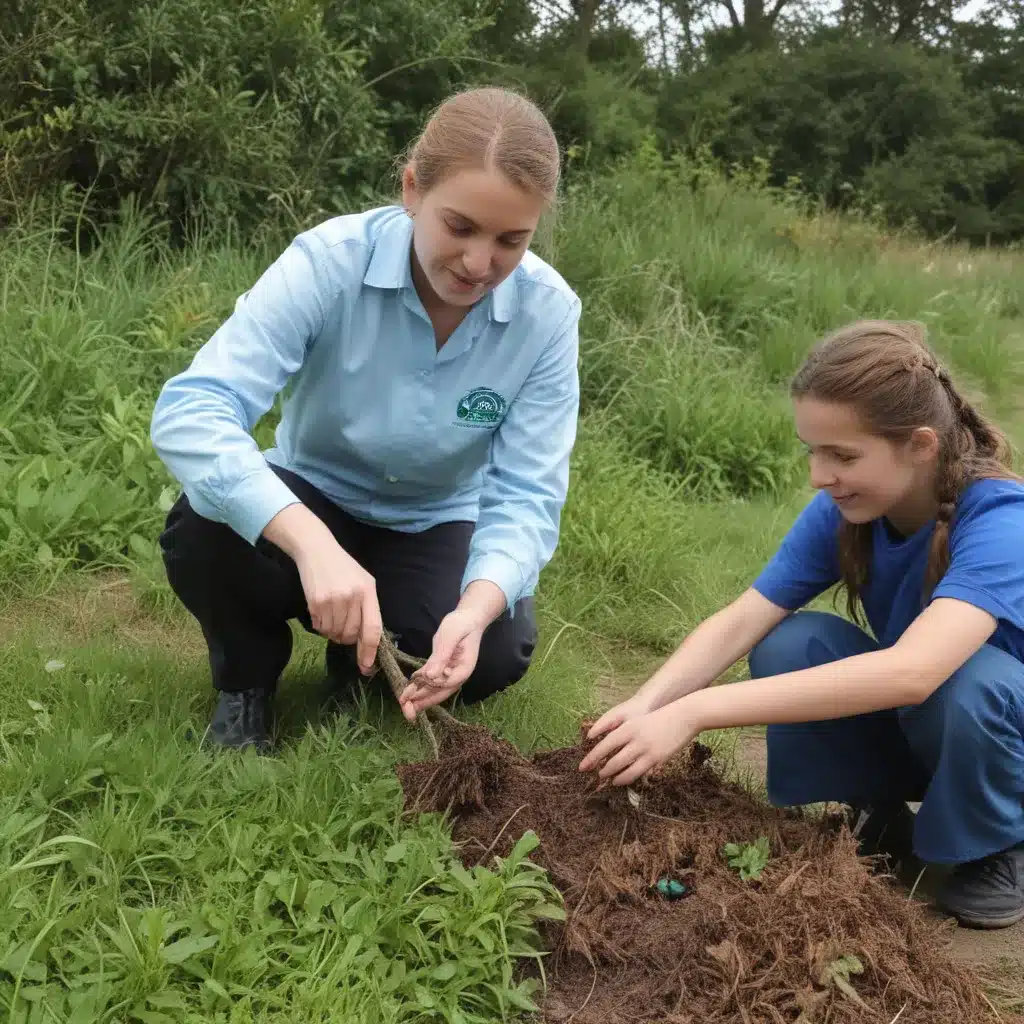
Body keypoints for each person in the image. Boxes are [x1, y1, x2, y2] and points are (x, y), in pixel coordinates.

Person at [150, 87, 581, 752]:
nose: (478, 264)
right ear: (412, 190)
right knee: (203, 529)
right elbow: (194, 409)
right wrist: (312, 543)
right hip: (313, 492)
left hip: (434, 520)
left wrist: (476, 607)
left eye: (510, 241)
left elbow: (527, 494)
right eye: (460, 227)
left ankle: (356, 671)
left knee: (496, 647)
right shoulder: (328, 262)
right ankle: (247, 684)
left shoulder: (548, 316)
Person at [580, 320, 1024, 931]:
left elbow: (914, 672)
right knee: (792, 641)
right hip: (932, 728)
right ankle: (881, 808)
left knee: (966, 679)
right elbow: (742, 620)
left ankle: (998, 840)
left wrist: (694, 711)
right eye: (813, 451)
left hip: (993, 734)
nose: (819, 475)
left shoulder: (1001, 521)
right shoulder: (850, 510)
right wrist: (647, 702)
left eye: (842, 455)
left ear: (921, 445)